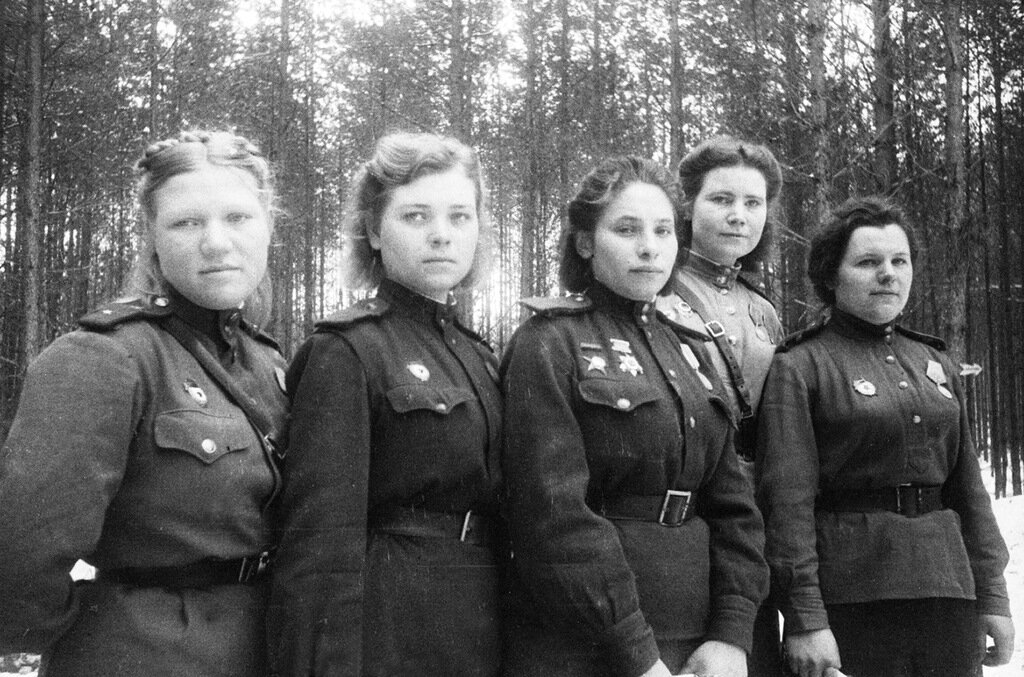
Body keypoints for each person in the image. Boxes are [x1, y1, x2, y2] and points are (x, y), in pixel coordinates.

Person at [0, 130, 288, 676]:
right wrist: (102, 635)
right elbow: (23, 551)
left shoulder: (268, 364)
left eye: (238, 217)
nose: (217, 243)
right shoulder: (106, 357)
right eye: (186, 222)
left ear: (268, 226)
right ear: (152, 236)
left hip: (266, 650)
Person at [501, 156, 767, 677]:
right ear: (585, 243)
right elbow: (552, 514)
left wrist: (731, 633)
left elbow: (735, 506)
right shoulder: (549, 341)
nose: (650, 247)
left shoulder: (691, 349)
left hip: (699, 640)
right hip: (590, 640)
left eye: (663, 230)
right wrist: (636, 653)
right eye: (627, 230)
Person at [269, 132, 505, 676]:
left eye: (460, 217)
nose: (441, 235)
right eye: (416, 216)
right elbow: (319, 542)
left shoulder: (480, 355)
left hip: (481, 620)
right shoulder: (347, 349)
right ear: (374, 231)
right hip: (390, 627)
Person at [756, 196, 1015, 677]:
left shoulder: (934, 363)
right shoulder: (802, 366)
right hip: (853, 598)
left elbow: (969, 492)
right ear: (831, 276)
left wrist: (993, 596)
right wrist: (806, 618)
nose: (888, 274)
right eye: (868, 262)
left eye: (900, 261)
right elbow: (787, 504)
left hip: (948, 591)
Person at [655, 134, 787, 676]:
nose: (739, 215)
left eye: (753, 203)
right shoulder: (657, 289)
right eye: (721, 199)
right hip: (684, 513)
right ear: (688, 206)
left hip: (751, 519)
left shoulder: (762, 310)